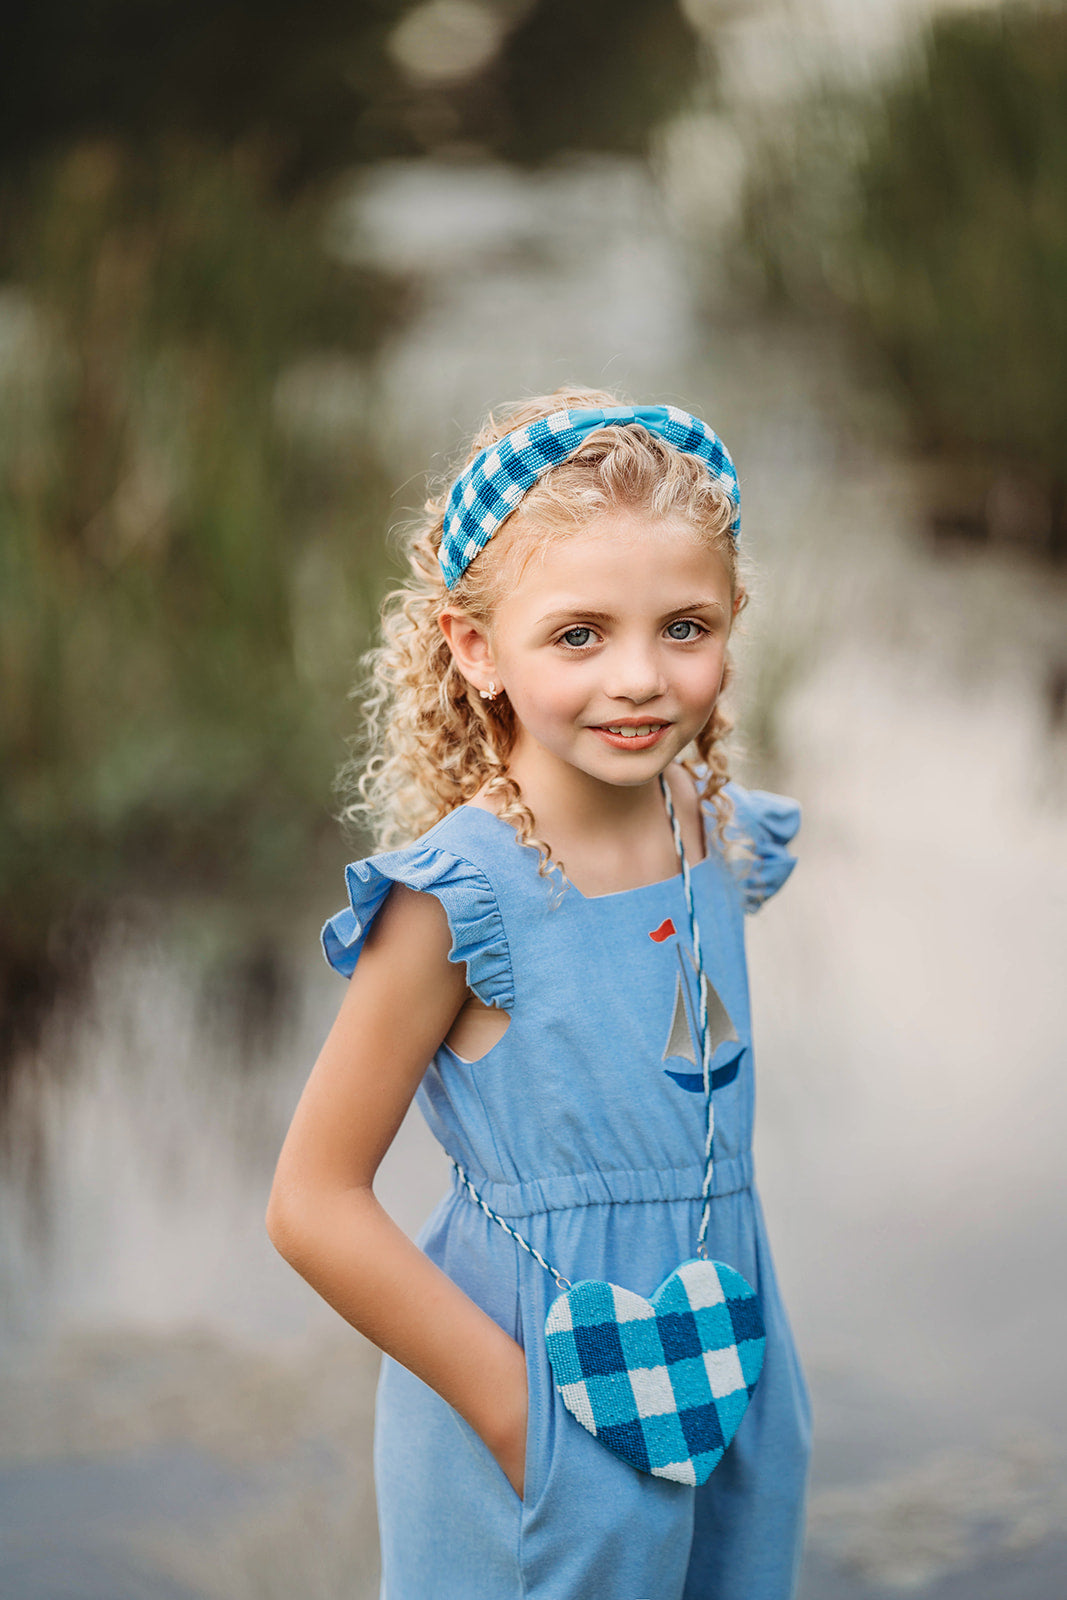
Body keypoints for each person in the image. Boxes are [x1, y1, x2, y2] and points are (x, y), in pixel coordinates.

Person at [265, 386, 813, 1599]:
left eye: (684, 627)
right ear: (477, 649)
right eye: (577, 635)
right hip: (535, 1399)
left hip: (729, 1364)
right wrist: (525, 1424)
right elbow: (311, 1200)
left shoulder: (711, 827)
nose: (639, 678)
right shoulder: (459, 901)